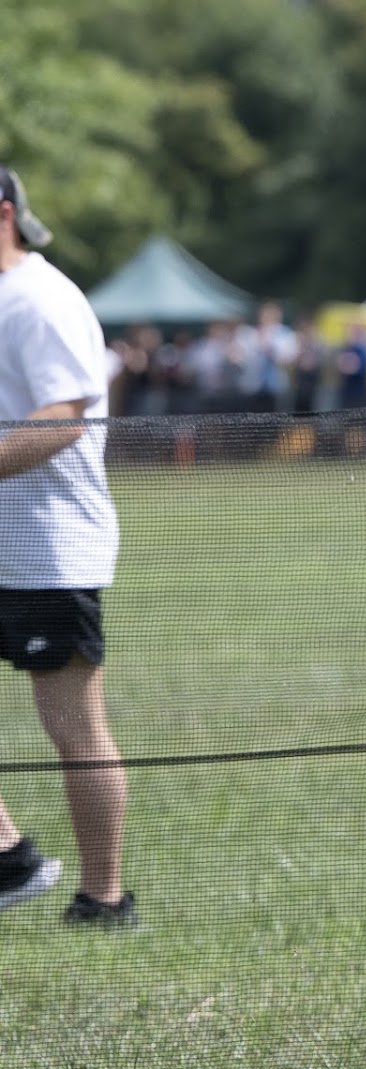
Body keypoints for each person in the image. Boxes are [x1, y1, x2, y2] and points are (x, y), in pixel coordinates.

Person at [0, 163, 133, 926]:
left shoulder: (40, 299)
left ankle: (104, 899)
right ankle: (10, 860)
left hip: (46, 551)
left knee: (73, 727)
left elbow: (62, 419)